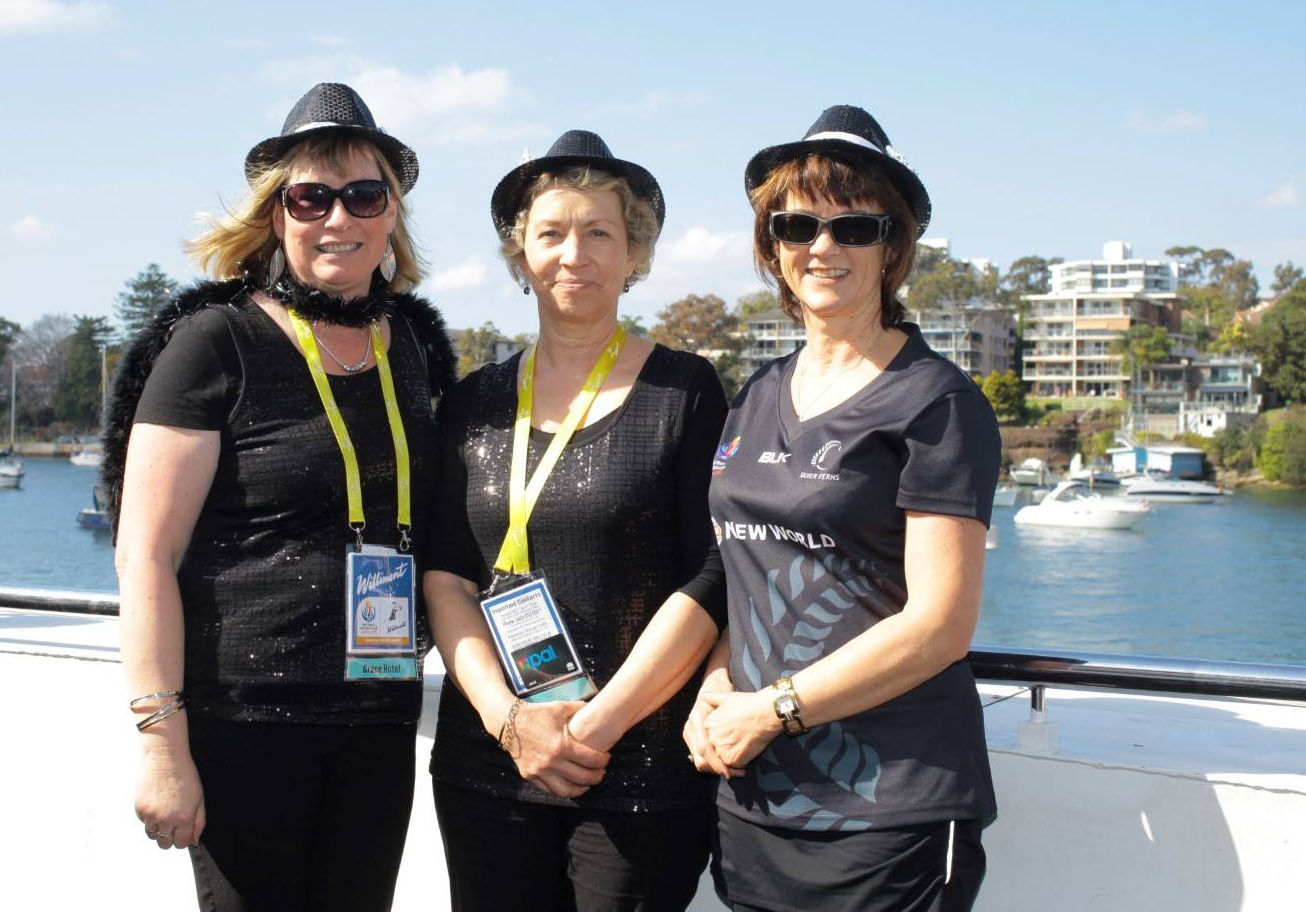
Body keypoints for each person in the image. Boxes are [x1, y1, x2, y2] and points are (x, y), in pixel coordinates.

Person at [103, 82, 455, 911]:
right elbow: (145, 555)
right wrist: (161, 744)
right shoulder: (215, 342)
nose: (338, 217)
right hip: (243, 722)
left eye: (363, 195)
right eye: (311, 198)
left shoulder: (414, 346)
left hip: (378, 716)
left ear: (391, 213)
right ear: (276, 214)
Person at [683, 105, 1000, 912]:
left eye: (852, 227)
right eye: (796, 226)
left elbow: (940, 625)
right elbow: (746, 572)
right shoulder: (756, 393)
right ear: (772, 248)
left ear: (891, 247)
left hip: (889, 808)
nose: (821, 247)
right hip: (754, 798)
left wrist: (772, 709)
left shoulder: (936, 403)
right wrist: (715, 686)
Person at [424, 130, 728, 912]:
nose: (574, 254)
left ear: (634, 254)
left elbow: (711, 572)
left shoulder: (686, 392)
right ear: (520, 253)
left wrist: (595, 727)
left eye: (599, 233)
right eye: (551, 233)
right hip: (488, 765)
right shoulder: (472, 403)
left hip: (637, 766)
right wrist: (508, 722)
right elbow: (447, 575)